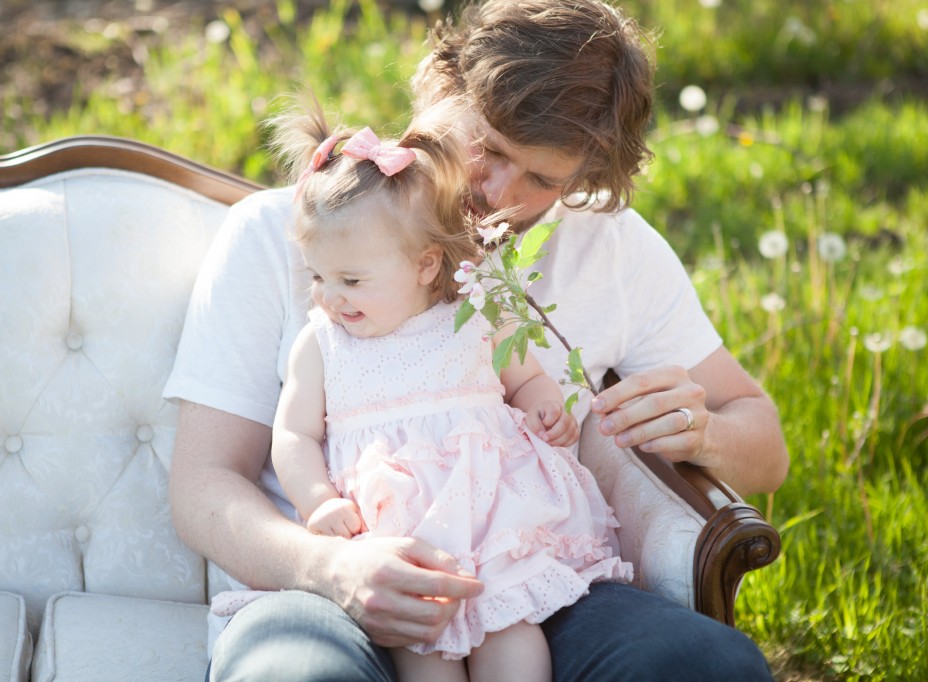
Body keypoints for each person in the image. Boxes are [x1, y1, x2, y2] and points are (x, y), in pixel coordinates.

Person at [164, 0, 789, 679]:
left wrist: (703, 435)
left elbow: (764, 445)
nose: (500, 194)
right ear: (439, 86)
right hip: (321, 586)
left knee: (708, 667)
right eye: (486, 148)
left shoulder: (613, 252)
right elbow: (202, 483)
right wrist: (329, 565)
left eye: (544, 179)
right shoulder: (282, 236)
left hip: (537, 577)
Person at [207, 103, 634, 682]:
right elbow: (295, 434)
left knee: (512, 632)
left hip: (493, 524)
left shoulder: (474, 313)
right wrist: (318, 502)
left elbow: (526, 376)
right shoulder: (323, 344)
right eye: (317, 276)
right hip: (399, 542)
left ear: (426, 265)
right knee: (421, 650)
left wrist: (544, 407)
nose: (331, 296)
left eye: (352, 280)